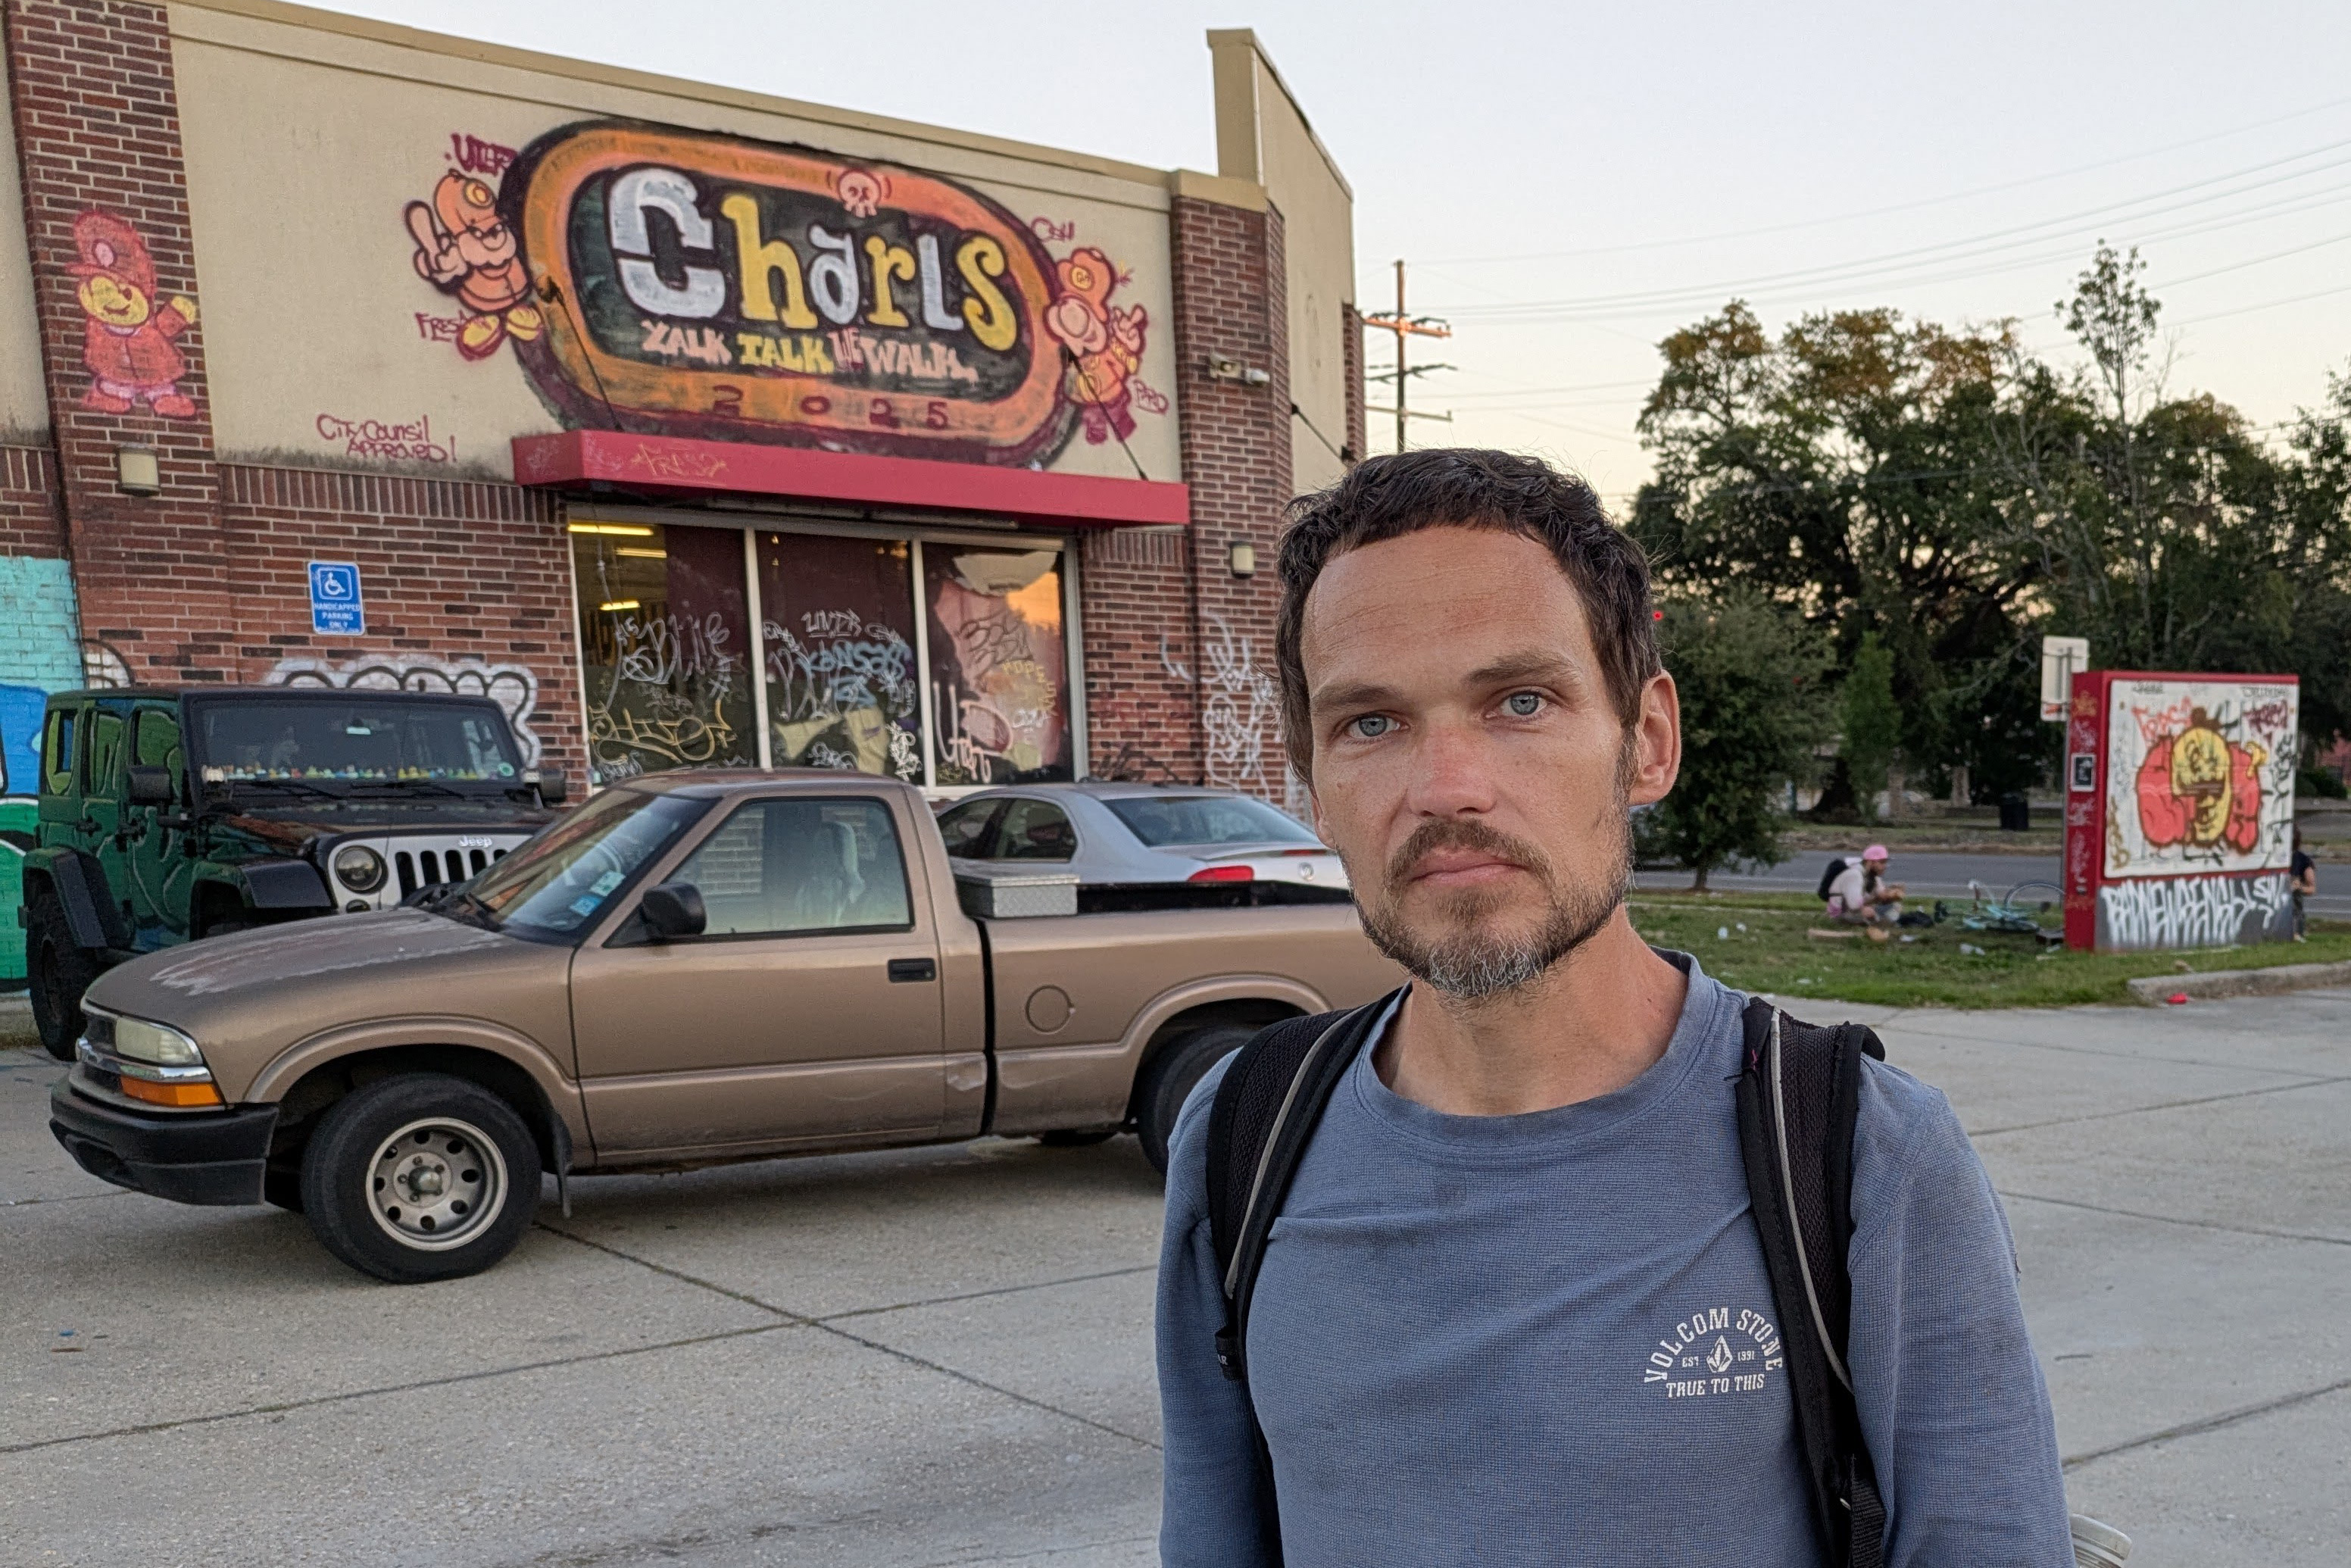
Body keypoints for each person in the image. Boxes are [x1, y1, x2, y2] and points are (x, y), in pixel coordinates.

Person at [1156, 450, 2071, 1566]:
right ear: (1313, 777)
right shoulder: (1243, 1137)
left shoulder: (1860, 1156)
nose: (1446, 786)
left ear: (1646, 741)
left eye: (1520, 701)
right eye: (1371, 723)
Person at [1826, 844, 1905, 941]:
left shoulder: (1870, 877)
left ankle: (1881, 925)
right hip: (1840, 916)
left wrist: (1889, 894)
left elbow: (1879, 895)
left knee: (1895, 907)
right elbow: (1854, 905)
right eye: (1882, 862)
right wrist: (1869, 908)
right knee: (1886, 912)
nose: (1885, 866)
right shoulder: (1855, 875)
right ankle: (1880, 927)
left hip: (1849, 912)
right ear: (1871, 862)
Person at [2290, 831, 2316, 941]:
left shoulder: (2302, 860)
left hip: (2293, 908)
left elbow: (2312, 889)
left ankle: (2297, 933)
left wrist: (2298, 887)